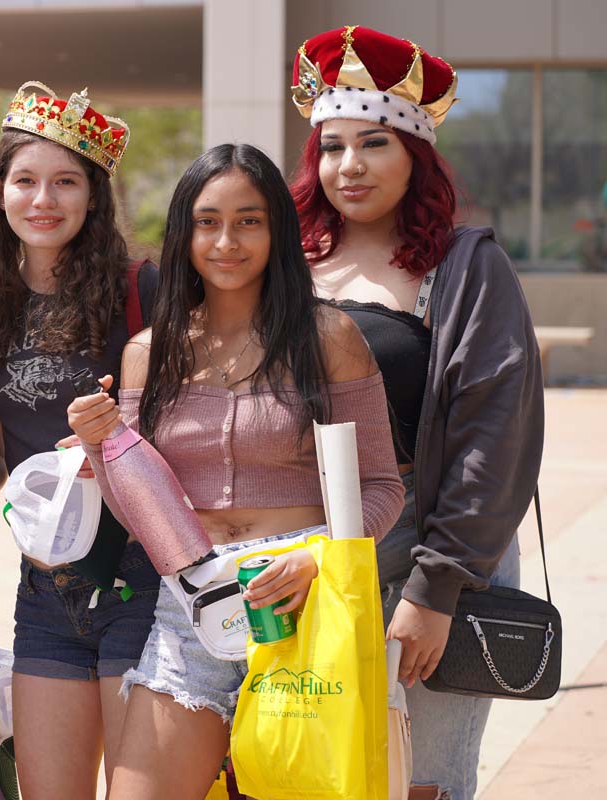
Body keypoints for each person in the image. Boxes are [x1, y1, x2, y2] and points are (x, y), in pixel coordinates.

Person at [67, 143, 404, 799]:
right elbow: (136, 509)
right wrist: (97, 447)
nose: (227, 240)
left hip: (305, 607)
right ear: (184, 233)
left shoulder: (328, 337)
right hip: (195, 604)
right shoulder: (148, 353)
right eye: (208, 221)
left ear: (277, 229)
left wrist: (319, 560)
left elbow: (382, 485)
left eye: (249, 220)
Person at [287, 26, 545, 800]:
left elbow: (493, 435)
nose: (351, 166)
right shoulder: (285, 264)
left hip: (431, 554)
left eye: (375, 144)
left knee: (421, 781)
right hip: (301, 557)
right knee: (301, 769)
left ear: (416, 157)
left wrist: (436, 589)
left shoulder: (465, 268)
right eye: (332, 147)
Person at [0, 81, 159, 797]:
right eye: (25, 180)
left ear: (93, 197)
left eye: (66, 183)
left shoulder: (143, 289)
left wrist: (116, 443)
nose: (44, 200)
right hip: (45, 588)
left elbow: (186, 428)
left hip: (143, 577)